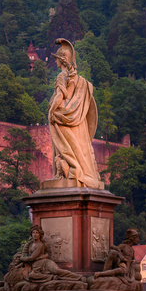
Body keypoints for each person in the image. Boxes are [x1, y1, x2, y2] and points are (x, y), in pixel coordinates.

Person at [48, 38, 102, 189]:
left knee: (65, 150)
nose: (55, 62)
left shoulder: (61, 76)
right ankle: (81, 173)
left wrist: (52, 112)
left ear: (62, 61)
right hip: (78, 122)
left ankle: (67, 174)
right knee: (80, 150)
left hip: (63, 119)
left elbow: (59, 97)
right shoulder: (80, 80)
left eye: (57, 59)